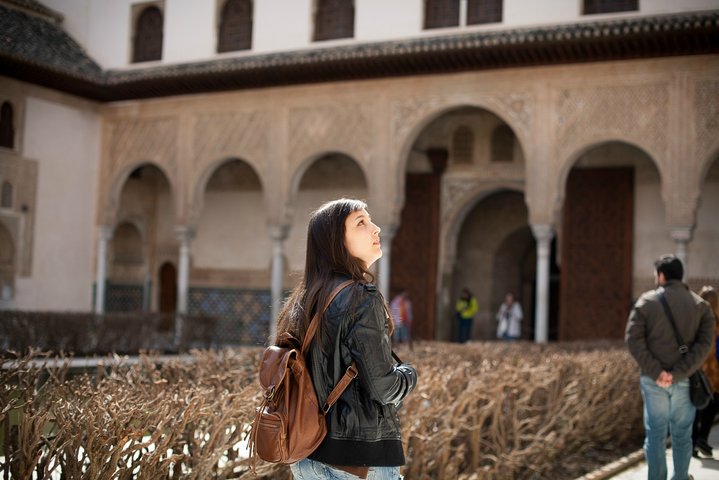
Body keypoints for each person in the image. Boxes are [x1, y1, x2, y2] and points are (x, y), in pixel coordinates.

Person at [274, 198, 418, 480]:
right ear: (335, 242)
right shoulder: (361, 298)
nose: (376, 228)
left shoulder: (303, 301)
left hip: (306, 456)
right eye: (361, 222)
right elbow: (383, 388)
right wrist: (410, 375)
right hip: (360, 461)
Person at [625, 255, 714, 480]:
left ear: (661, 275)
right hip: (685, 380)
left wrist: (657, 372)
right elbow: (705, 344)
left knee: (655, 435)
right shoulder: (700, 306)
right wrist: (678, 373)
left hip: (653, 380)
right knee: (683, 435)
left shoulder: (646, 302)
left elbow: (633, 339)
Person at [692, 285, 719, 458]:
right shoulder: (717, 322)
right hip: (715, 371)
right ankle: (701, 438)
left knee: (694, 406)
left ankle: (695, 441)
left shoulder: (694, 321)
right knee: (713, 404)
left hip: (697, 368)